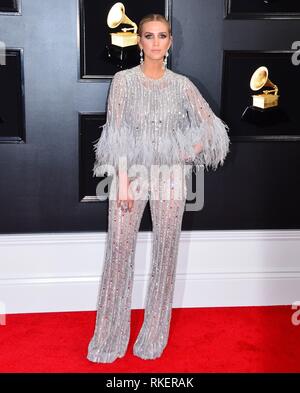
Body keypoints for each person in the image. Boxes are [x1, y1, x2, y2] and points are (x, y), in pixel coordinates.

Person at [87, 13, 230, 363]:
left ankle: (153, 337)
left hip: (170, 178)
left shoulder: (182, 85)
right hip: (130, 175)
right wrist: (120, 179)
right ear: (139, 41)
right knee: (118, 255)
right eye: (148, 36)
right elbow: (116, 131)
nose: (155, 43)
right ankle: (108, 339)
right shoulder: (123, 81)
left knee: (166, 256)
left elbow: (213, 128)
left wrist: (184, 152)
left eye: (161, 36)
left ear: (170, 41)